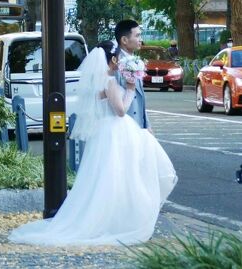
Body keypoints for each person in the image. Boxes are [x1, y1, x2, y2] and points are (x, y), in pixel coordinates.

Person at [9, 41, 177, 246]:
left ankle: (107, 218)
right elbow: (121, 110)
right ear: (113, 60)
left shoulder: (94, 82)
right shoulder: (109, 82)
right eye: (118, 59)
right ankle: (117, 221)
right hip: (116, 130)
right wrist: (131, 89)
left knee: (101, 178)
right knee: (121, 176)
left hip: (101, 133)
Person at [115, 18, 148, 130]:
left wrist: (146, 125)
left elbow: (140, 98)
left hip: (138, 125)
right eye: (137, 36)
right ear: (124, 40)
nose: (141, 39)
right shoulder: (115, 63)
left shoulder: (136, 62)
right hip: (124, 127)